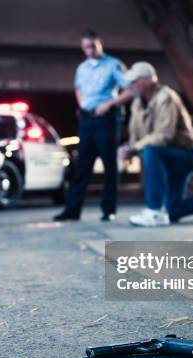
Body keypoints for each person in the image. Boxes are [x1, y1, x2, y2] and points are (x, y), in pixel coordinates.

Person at [109, 62, 193, 227]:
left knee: (150, 151)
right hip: (164, 155)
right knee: (173, 211)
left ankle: (154, 210)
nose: (131, 86)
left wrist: (134, 148)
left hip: (184, 155)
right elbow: (135, 137)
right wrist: (126, 149)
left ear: (148, 80)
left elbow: (164, 135)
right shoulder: (137, 103)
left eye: (134, 82)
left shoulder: (166, 97)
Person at [53, 29, 133, 222]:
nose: (89, 50)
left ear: (100, 44)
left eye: (92, 46)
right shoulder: (82, 68)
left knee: (109, 166)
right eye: (86, 47)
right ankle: (72, 211)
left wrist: (110, 104)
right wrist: (82, 106)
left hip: (106, 119)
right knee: (82, 166)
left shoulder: (114, 65)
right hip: (87, 120)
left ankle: (108, 210)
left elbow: (130, 90)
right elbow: (78, 89)